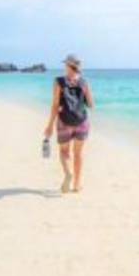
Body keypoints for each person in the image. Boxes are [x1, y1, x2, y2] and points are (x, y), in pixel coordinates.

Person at [44, 54, 94, 193]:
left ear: (67, 65)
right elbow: (91, 104)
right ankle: (77, 185)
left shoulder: (58, 81)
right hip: (82, 122)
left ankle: (68, 173)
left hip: (64, 121)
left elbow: (54, 105)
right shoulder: (84, 82)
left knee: (64, 151)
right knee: (78, 153)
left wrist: (49, 126)